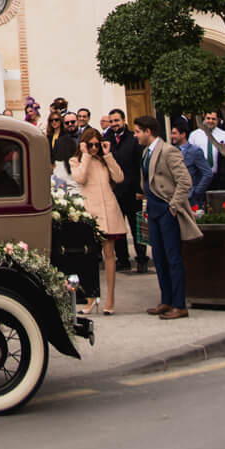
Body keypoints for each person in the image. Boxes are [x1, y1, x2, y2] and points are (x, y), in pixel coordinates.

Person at [134, 114, 200, 320]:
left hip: (166, 210)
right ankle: (167, 300)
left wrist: (173, 205)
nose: (135, 135)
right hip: (153, 209)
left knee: (173, 258)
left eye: (137, 131)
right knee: (159, 258)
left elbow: (185, 180)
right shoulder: (146, 152)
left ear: (148, 131)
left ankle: (179, 304)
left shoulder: (168, 151)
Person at [70, 125, 127, 314]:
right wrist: (85, 155)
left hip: (108, 210)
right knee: (89, 258)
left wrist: (108, 155)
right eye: (91, 144)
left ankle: (110, 299)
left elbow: (119, 178)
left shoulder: (104, 160)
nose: (95, 148)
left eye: (97, 144)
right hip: (90, 211)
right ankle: (91, 298)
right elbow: (79, 178)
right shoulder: (76, 160)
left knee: (109, 254)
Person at [104, 109, 146, 275]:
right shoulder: (107, 139)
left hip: (132, 191)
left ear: (123, 120)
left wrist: (139, 189)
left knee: (137, 229)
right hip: (115, 192)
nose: (114, 124)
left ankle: (142, 259)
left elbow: (139, 166)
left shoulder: (133, 139)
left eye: (117, 121)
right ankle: (123, 260)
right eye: (112, 121)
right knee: (118, 229)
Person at [171, 117, 216, 207]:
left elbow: (208, 173)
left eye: (174, 133)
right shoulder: (171, 151)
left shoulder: (195, 151)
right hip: (175, 197)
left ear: (183, 134)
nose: (172, 136)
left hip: (191, 199)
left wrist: (196, 192)